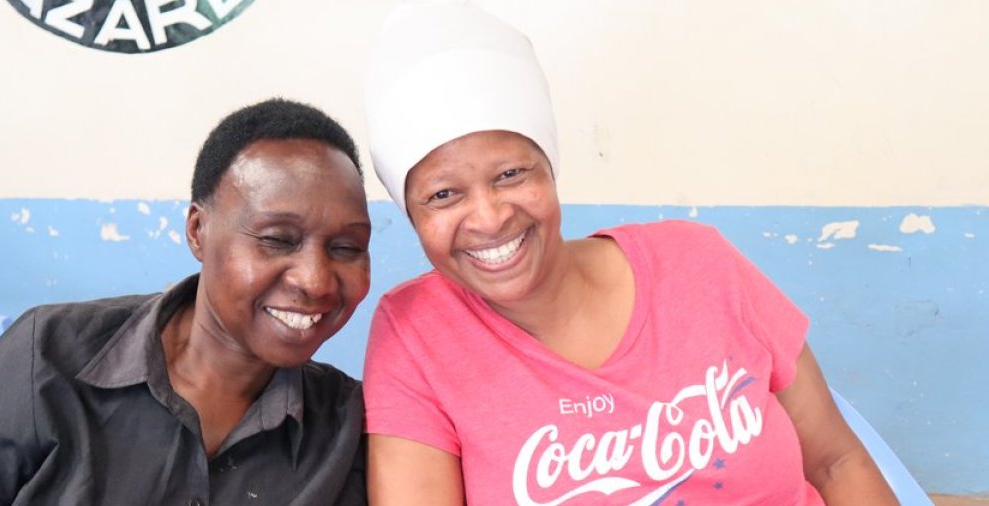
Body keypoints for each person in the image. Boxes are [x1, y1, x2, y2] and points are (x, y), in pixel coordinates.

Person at [361, 3, 897, 505]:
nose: (489, 217)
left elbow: (837, 462)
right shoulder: (416, 334)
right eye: (442, 195)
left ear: (550, 169)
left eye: (510, 174)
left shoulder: (699, 262)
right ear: (411, 217)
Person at [0, 98, 371, 505]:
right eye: (278, 239)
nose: (315, 280)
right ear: (198, 230)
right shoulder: (47, 361)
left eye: (347, 248)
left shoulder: (345, 427)